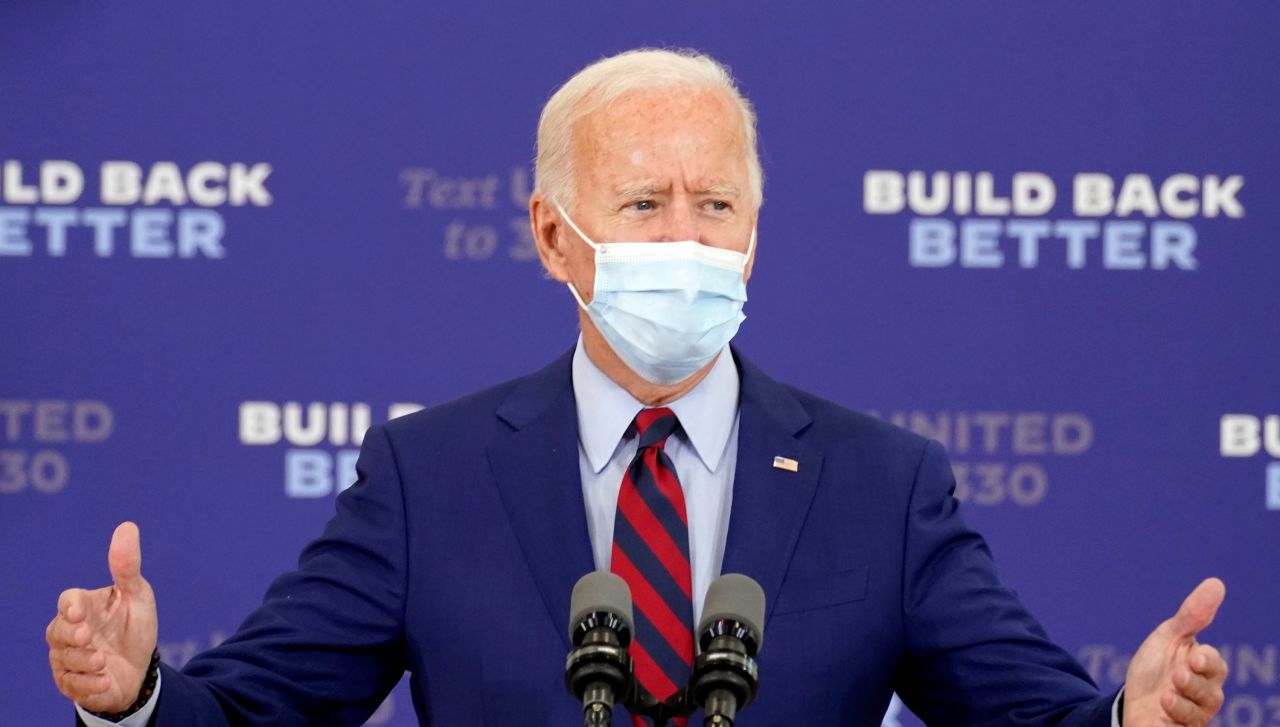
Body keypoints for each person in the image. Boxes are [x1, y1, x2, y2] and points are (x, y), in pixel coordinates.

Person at [47, 48, 1227, 726]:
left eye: (714, 206)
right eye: (643, 205)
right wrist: (134, 691)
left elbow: (1031, 717)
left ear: (754, 236)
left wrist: (1133, 714)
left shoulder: (882, 481)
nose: (685, 237)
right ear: (554, 238)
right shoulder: (429, 476)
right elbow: (256, 716)